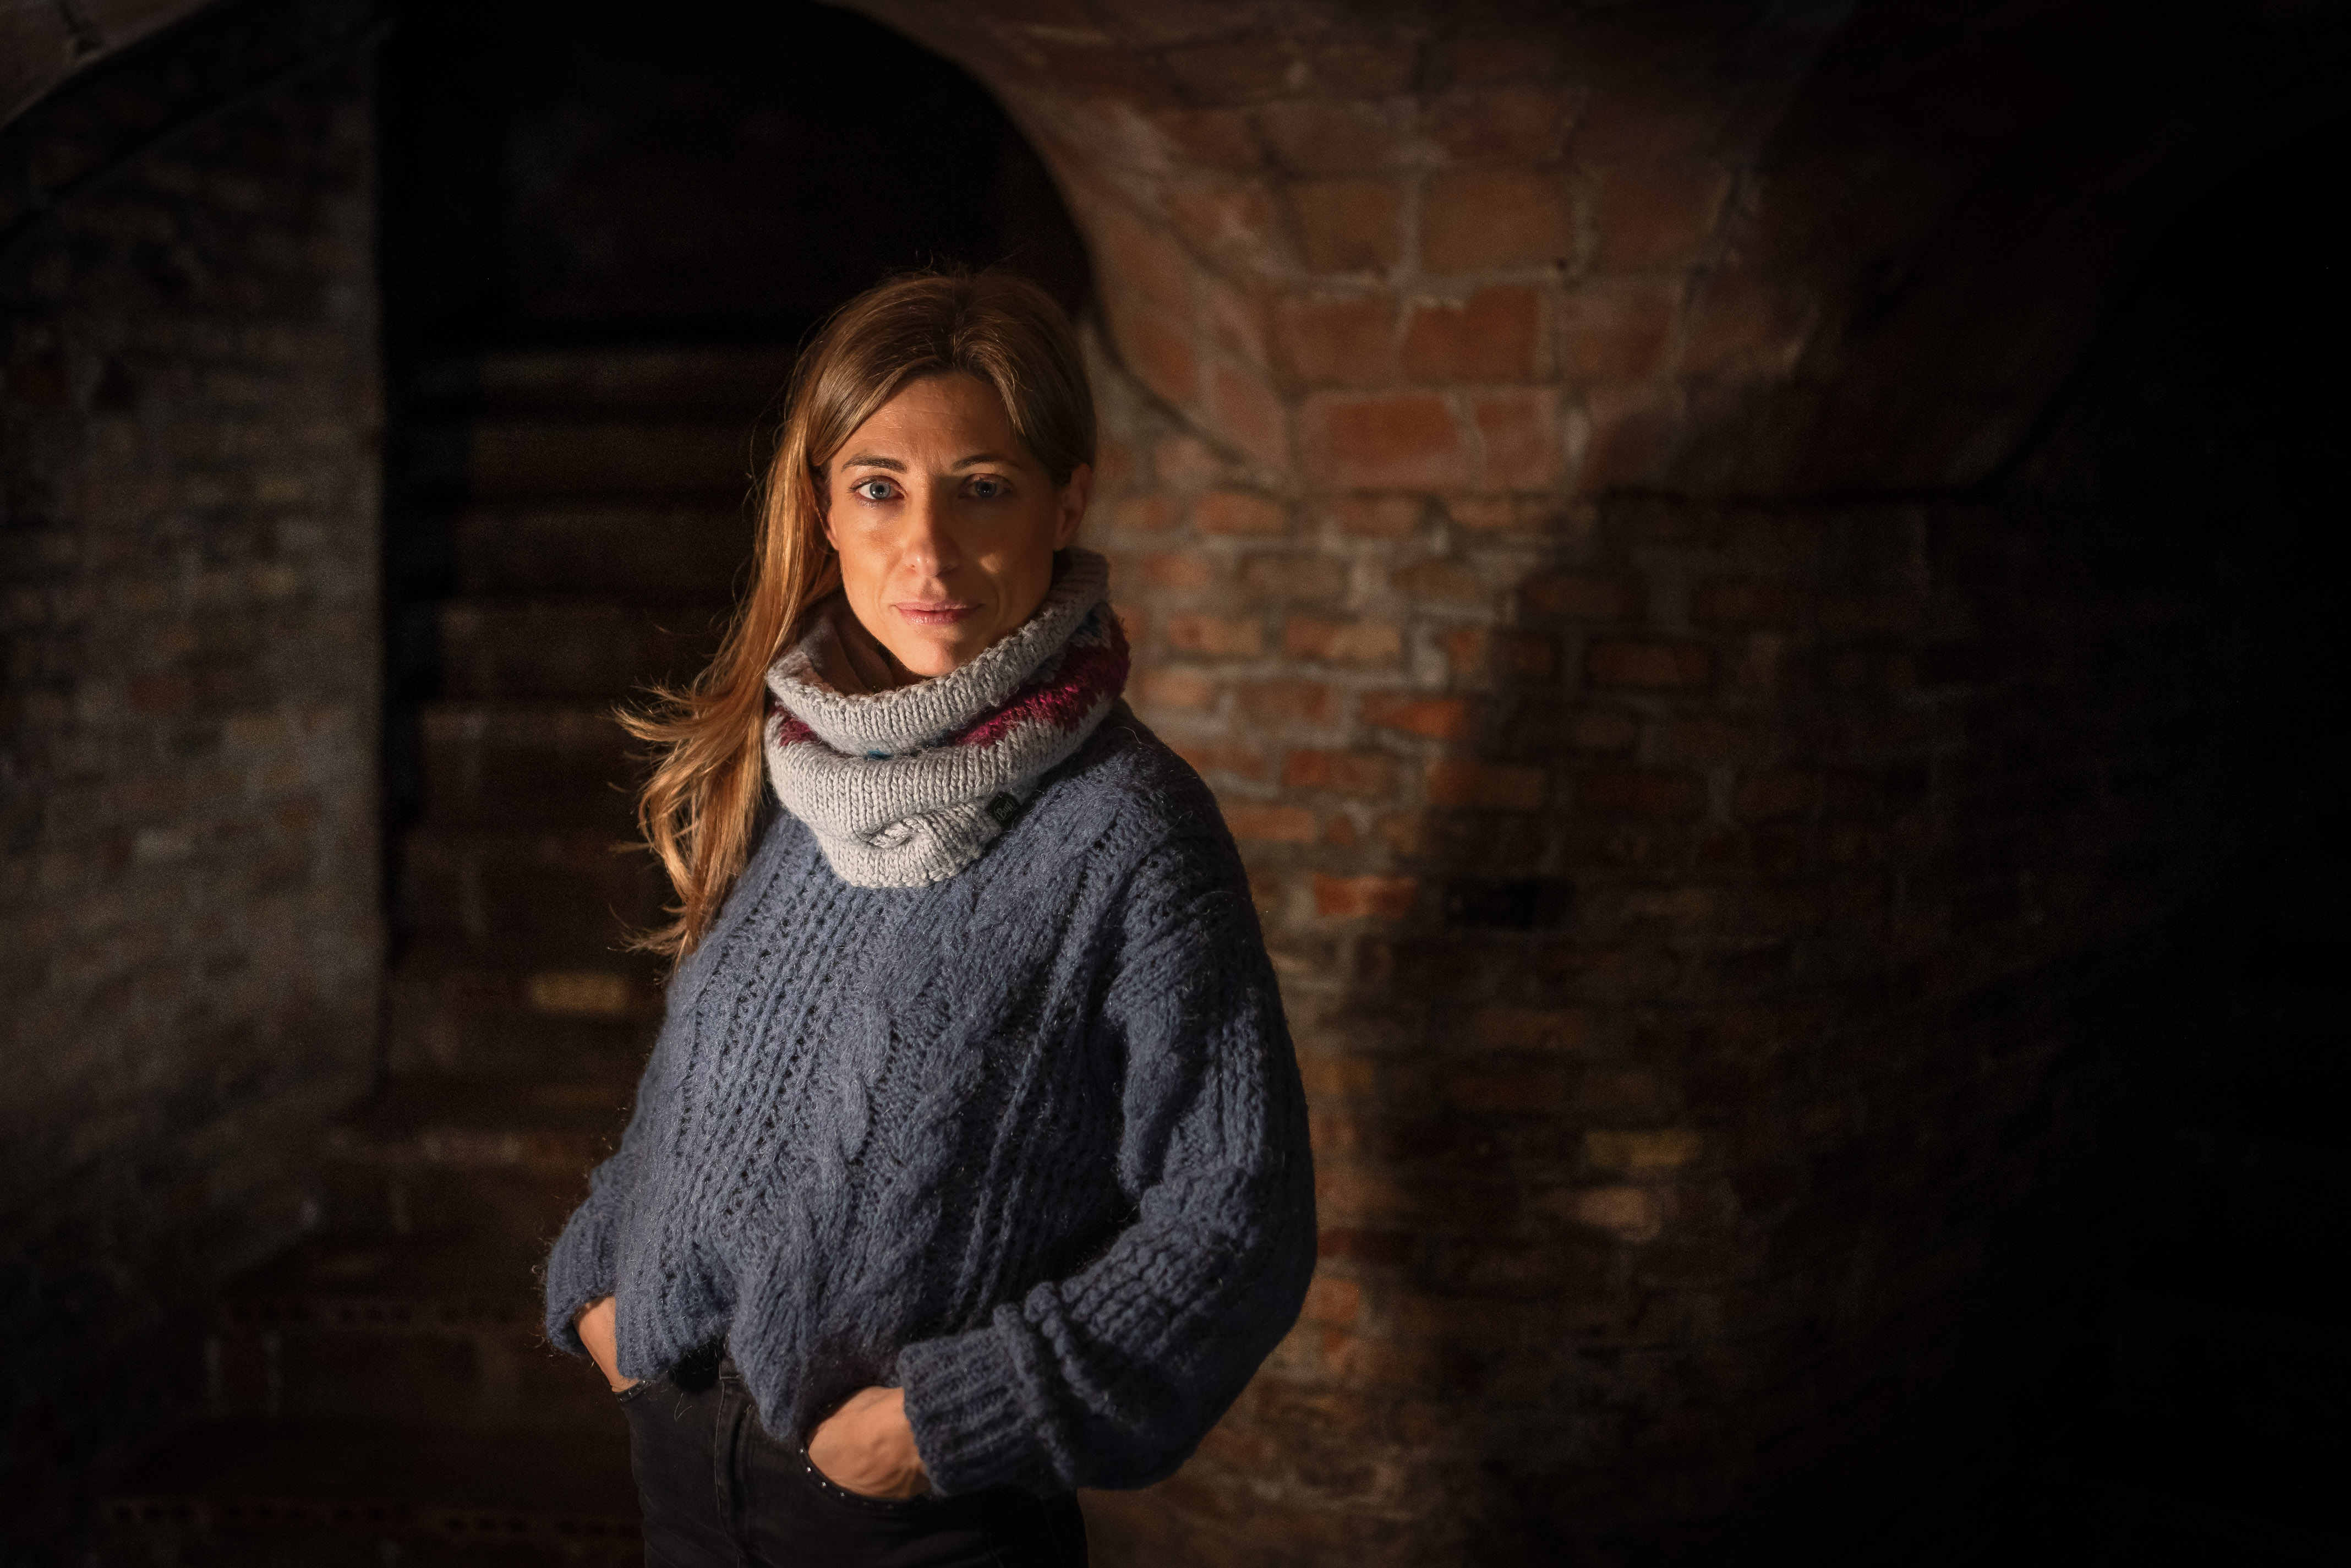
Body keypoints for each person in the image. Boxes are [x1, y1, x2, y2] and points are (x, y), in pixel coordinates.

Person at [540, 269, 1317, 1568]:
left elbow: (1236, 1223)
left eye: (984, 487)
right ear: (823, 512)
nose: (930, 551)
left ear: (1066, 501)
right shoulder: (784, 763)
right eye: (881, 487)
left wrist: (931, 1429)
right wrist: (605, 1285)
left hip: (917, 1521)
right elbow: (701, 1098)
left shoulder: (1131, 831)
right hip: (681, 1483)